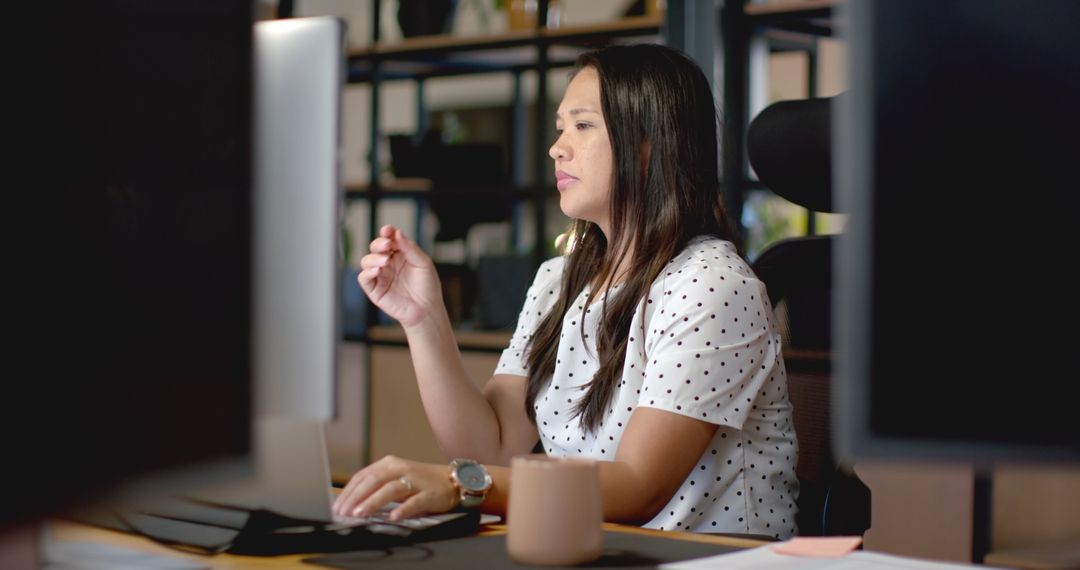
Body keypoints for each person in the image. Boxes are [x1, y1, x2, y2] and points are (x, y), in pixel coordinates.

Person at [334, 43, 799, 538]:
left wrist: (460, 486)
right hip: (588, 550)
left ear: (650, 144)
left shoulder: (713, 285)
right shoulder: (558, 281)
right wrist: (424, 318)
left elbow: (638, 487)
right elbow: (490, 448)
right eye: (560, 128)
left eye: (582, 125)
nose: (558, 147)